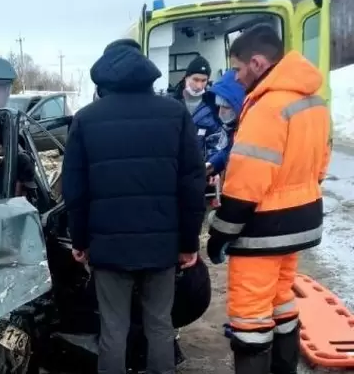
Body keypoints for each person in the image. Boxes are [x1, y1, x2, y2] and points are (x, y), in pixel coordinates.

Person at [62, 38, 206, 374]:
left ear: (103, 76)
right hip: (162, 246)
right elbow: (192, 183)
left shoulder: (85, 120)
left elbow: (75, 189)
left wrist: (80, 241)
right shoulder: (175, 114)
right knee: (159, 324)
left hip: (108, 247)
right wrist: (188, 243)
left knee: (114, 328)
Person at [206, 24, 330, 374]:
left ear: (258, 63)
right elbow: (320, 164)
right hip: (300, 222)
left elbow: (246, 184)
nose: (235, 76)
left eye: (236, 67)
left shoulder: (267, 106)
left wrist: (221, 233)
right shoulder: (312, 101)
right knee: (281, 301)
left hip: (263, 229)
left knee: (250, 317)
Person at [205, 69, 245, 176]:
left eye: (226, 107)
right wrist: (212, 165)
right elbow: (229, 150)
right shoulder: (232, 129)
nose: (220, 113)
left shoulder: (249, 130)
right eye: (218, 107)